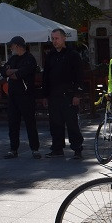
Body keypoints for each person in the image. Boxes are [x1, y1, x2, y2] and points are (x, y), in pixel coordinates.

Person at [41, 29, 84, 159]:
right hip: (54, 95)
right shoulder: (50, 56)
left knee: (72, 124)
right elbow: (46, 77)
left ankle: (77, 149)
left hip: (69, 95)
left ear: (64, 38)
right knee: (55, 124)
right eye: (52, 38)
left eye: (57, 38)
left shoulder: (73, 55)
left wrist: (77, 94)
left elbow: (79, 76)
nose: (54, 41)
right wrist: (45, 95)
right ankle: (57, 148)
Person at [1, 36, 41, 159]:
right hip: (12, 95)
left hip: (26, 96)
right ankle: (13, 149)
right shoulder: (13, 58)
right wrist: (13, 71)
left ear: (17, 45)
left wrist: (13, 72)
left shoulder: (29, 59)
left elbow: (19, 74)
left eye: (12, 45)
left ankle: (35, 149)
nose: (10, 48)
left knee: (30, 122)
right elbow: (3, 71)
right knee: (13, 123)